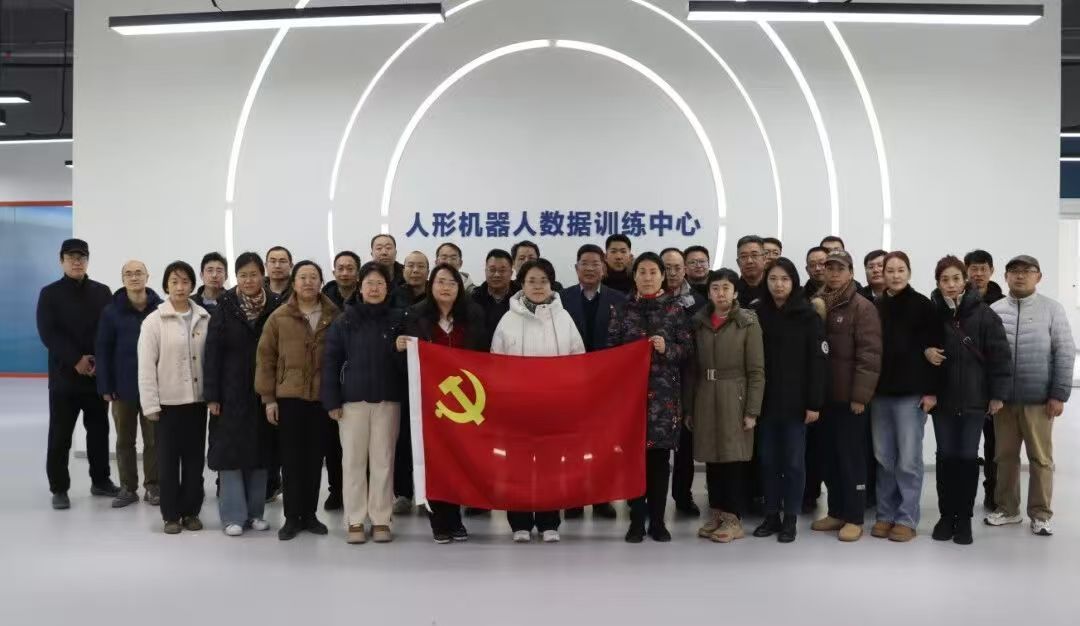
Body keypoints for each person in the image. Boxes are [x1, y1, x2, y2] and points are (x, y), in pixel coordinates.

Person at [491, 259, 586, 543]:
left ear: (551, 284)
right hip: (517, 407)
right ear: (521, 284)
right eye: (531, 280)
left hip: (554, 407)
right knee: (517, 465)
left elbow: (578, 359)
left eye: (543, 281)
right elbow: (496, 363)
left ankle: (549, 522)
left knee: (551, 465)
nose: (537, 286)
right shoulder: (508, 320)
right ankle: (519, 522)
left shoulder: (564, 318)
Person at [398, 264, 488, 543]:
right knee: (434, 460)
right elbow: (405, 359)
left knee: (459, 459)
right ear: (431, 286)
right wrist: (399, 347)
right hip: (429, 401)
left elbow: (483, 356)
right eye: (440, 281)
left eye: (451, 282)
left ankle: (456, 519)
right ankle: (439, 521)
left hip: (466, 400)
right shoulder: (415, 315)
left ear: (460, 287)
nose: (446, 287)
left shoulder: (473, 315)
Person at [607, 252, 693, 543]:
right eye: (642, 272)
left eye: (653, 272)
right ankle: (636, 521)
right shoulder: (622, 310)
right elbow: (610, 352)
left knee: (659, 461)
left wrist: (667, 348)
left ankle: (657, 521)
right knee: (633, 461)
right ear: (634, 276)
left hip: (663, 399)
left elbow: (688, 351)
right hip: (630, 400)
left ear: (662, 276)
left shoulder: (675, 310)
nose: (647, 277)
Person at [925, 256, 1011, 545]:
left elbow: (1000, 357)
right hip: (943, 401)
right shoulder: (932, 314)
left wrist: (997, 395)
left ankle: (964, 518)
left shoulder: (985, 315)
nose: (950, 284)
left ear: (965, 280)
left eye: (955, 278)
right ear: (938, 283)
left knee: (967, 458)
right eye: (944, 279)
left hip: (975, 401)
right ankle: (946, 516)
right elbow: (918, 348)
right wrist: (925, 352)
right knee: (945, 457)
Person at [986, 255, 1074, 536]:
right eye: (1014, 271)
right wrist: (991, 393)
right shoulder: (995, 310)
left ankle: (1040, 514)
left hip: (1040, 400)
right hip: (1004, 402)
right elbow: (987, 356)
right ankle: (1007, 509)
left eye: (1027, 271)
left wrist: (1058, 394)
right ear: (1005, 277)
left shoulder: (1052, 309)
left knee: (1041, 459)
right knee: (1004, 458)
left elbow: (1065, 352)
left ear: (1039, 276)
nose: (1020, 276)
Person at [255, 261, 341, 541]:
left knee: (315, 460)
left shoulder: (334, 315)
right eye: (302, 277)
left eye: (313, 277)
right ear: (294, 283)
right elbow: (265, 359)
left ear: (321, 282)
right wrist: (269, 399)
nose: (308, 282)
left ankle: (310, 515)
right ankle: (292, 518)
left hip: (321, 399)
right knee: (291, 460)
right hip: (289, 399)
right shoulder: (279, 316)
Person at [322, 262, 406, 544]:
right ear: (360, 287)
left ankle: (381, 519)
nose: (374, 288)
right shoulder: (344, 320)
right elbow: (331, 362)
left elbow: (406, 363)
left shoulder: (398, 319)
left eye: (380, 283)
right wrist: (332, 400)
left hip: (388, 400)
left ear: (387, 288)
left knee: (383, 461)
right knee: (353, 462)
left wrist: (399, 350)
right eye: (369, 283)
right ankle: (355, 520)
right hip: (352, 402)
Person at [204, 252, 282, 537]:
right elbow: (212, 353)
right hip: (231, 392)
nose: (249, 280)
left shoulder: (275, 305)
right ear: (236, 278)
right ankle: (232, 516)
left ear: (263, 275)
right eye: (243, 275)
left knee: (261, 453)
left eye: (253, 274)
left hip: (264, 392)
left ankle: (255, 513)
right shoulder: (225, 306)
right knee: (230, 455)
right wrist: (212, 395)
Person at [37, 238, 118, 510]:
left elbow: (109, 329)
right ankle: (59, 488)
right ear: (61, 260)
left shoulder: (102, 292)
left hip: (96, 377)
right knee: (60, 436)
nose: (76, 261)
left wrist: (97, 361)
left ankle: (101, 481)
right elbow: (48, 333)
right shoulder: (50, 294)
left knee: (99, 432)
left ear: (87, 261)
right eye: (71, 257)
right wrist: (75, 360)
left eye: (81, 257)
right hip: (64, 378)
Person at [686, 268, 765, 544]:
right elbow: (691, 369)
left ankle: (734, 518)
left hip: (735, 394)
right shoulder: (699, 322)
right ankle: (717, 513)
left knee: (733, 458)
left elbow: (756, 371)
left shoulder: (748, 322)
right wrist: (689, 407)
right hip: (705, 394)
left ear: (735, 292)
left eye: (726, 288)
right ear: (708, 293)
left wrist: (752, 410)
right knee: (712, 457)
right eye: (715, 288)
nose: (721, 293)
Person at [753, 258, 826, 543]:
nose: (778, 285)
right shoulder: (757, 313)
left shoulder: (808, 316)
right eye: (773, 279)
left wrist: (814, 403)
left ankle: (791, 518)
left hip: (797, 404)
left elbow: (818, 363)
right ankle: (771, 514)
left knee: (794, 463)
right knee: (768, 460)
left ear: (793, 282)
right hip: (765, 402)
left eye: (784, 279)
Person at [810, 250, 882, 542]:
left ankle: (854, 516)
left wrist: (860, 397)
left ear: (851, 272)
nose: (834, 273)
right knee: (829, 458)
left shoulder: (862, 307)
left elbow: (870, 356)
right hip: (824, 398)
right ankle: (836, 511)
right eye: (830, 268)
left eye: (840, 268)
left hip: (850, 399)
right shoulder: (817, 303)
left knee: (852, 459)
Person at [137, 261, 212, 534]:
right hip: (167, 405)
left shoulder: (204, 317)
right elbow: (146, 366)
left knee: (194, 461)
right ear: (166, 286)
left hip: (197, 403)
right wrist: (150, 404)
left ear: (192, 285)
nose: (180, 287)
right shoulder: (154, 321)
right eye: (174, 282)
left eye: (185, 282)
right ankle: (170, 515)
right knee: (168, 463)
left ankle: (191, 512)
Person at [869, 251, 937, 543]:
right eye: (890, 270)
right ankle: (885, 514)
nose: (895, 275)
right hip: (879, 394)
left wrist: (931, 391)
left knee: (908, 460)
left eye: (900, 270)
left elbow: (936, 350)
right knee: (884, 458)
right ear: (882, 274)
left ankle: (907, 518)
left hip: (911, 395)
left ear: (908, 273)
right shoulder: (876, 306)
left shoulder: (923, 305)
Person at [559, 244, 625, 520]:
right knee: (572, 442)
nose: (589, 268)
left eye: (595, 264)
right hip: (570, 382)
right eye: (584, 263)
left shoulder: (619, 299)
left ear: (604, 268)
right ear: (576, 268)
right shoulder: (560, 299)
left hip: (606, 382)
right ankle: (573, 499)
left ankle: (601, 499)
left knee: (603, 442)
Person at [95, 260, 163, 508]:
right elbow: (102, 350)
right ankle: (128, 488)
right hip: (122, 387)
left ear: (147, 276)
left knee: (154, 440)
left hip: (153, 387)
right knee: (125, 440)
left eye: (138, 273)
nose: (134, 277)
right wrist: (105, 386)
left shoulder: (160, 309)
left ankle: (153, 486)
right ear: (123, 279)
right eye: (128, 274)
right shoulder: (111, 311)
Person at [662, 247, 707, 517]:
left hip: (688, 379)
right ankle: (646, 498)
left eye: (677, 267)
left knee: (685, 443)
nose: (672, 272)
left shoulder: (700, 302)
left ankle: (682, 495)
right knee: (653, 446)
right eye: (667, 267)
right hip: (656, 380)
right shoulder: (647, 298)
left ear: (686, 269)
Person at [318, 251, 363, 512]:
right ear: (334, 272)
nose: (345, 273)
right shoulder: (324, 300)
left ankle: (360, 493)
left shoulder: (368, 297)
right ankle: (337, 491)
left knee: (360, 446)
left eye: (350, 268)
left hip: (359, 380)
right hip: (331, 375)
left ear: (358, 273)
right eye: (340, 268)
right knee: (332, 443)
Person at [964, 249, 1005, 510]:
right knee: (966, 446)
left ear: (991, 271)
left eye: (983, 268)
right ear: (966, 271)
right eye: (973, 269)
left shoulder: (1002, 303)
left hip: (990, 385)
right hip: (966, 385)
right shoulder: (956, 301)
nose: (978, 274)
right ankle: (964, 498)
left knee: (994, 444)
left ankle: (993, 494)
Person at [262, 246, 292, 501]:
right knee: (265, 434)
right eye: (273, 261)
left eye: (283, 261)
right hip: (265, 370)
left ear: (290, 266)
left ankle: (289, 485)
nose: (277, 265)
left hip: (292, 375)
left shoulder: (299, 292)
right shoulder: (256, 293)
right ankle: (270, 483)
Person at [472, 249, 520, 352]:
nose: (497, 274)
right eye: (492, 270)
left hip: (514, 355)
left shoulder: (521, 298)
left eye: (502, 270)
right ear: (485, 271)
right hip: (481, 356)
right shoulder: (474, 298)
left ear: (511, 273)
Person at [734, 235, 768, 309]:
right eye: (744, 256)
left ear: (764, 259)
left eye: (754, 255)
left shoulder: (775, 288)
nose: (749, 261)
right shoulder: (732, 292)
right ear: (738, 262)